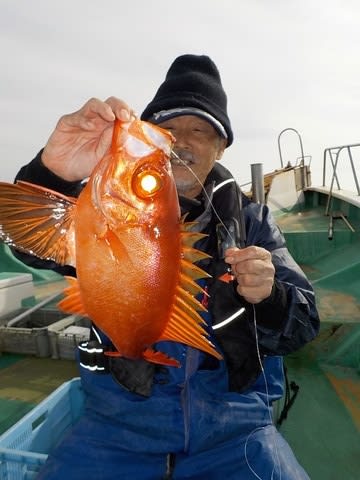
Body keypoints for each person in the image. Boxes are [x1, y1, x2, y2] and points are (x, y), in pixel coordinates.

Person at [14, 54, 319, 479]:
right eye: (168, 129)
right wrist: (53, 174)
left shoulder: (253, 223)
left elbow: (305, 323)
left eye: (200, 130)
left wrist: (270, 296)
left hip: (237, 430)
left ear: (222, 146)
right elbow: (29, 243)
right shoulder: (101, 210)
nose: (182, 141)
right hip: (116, 425)